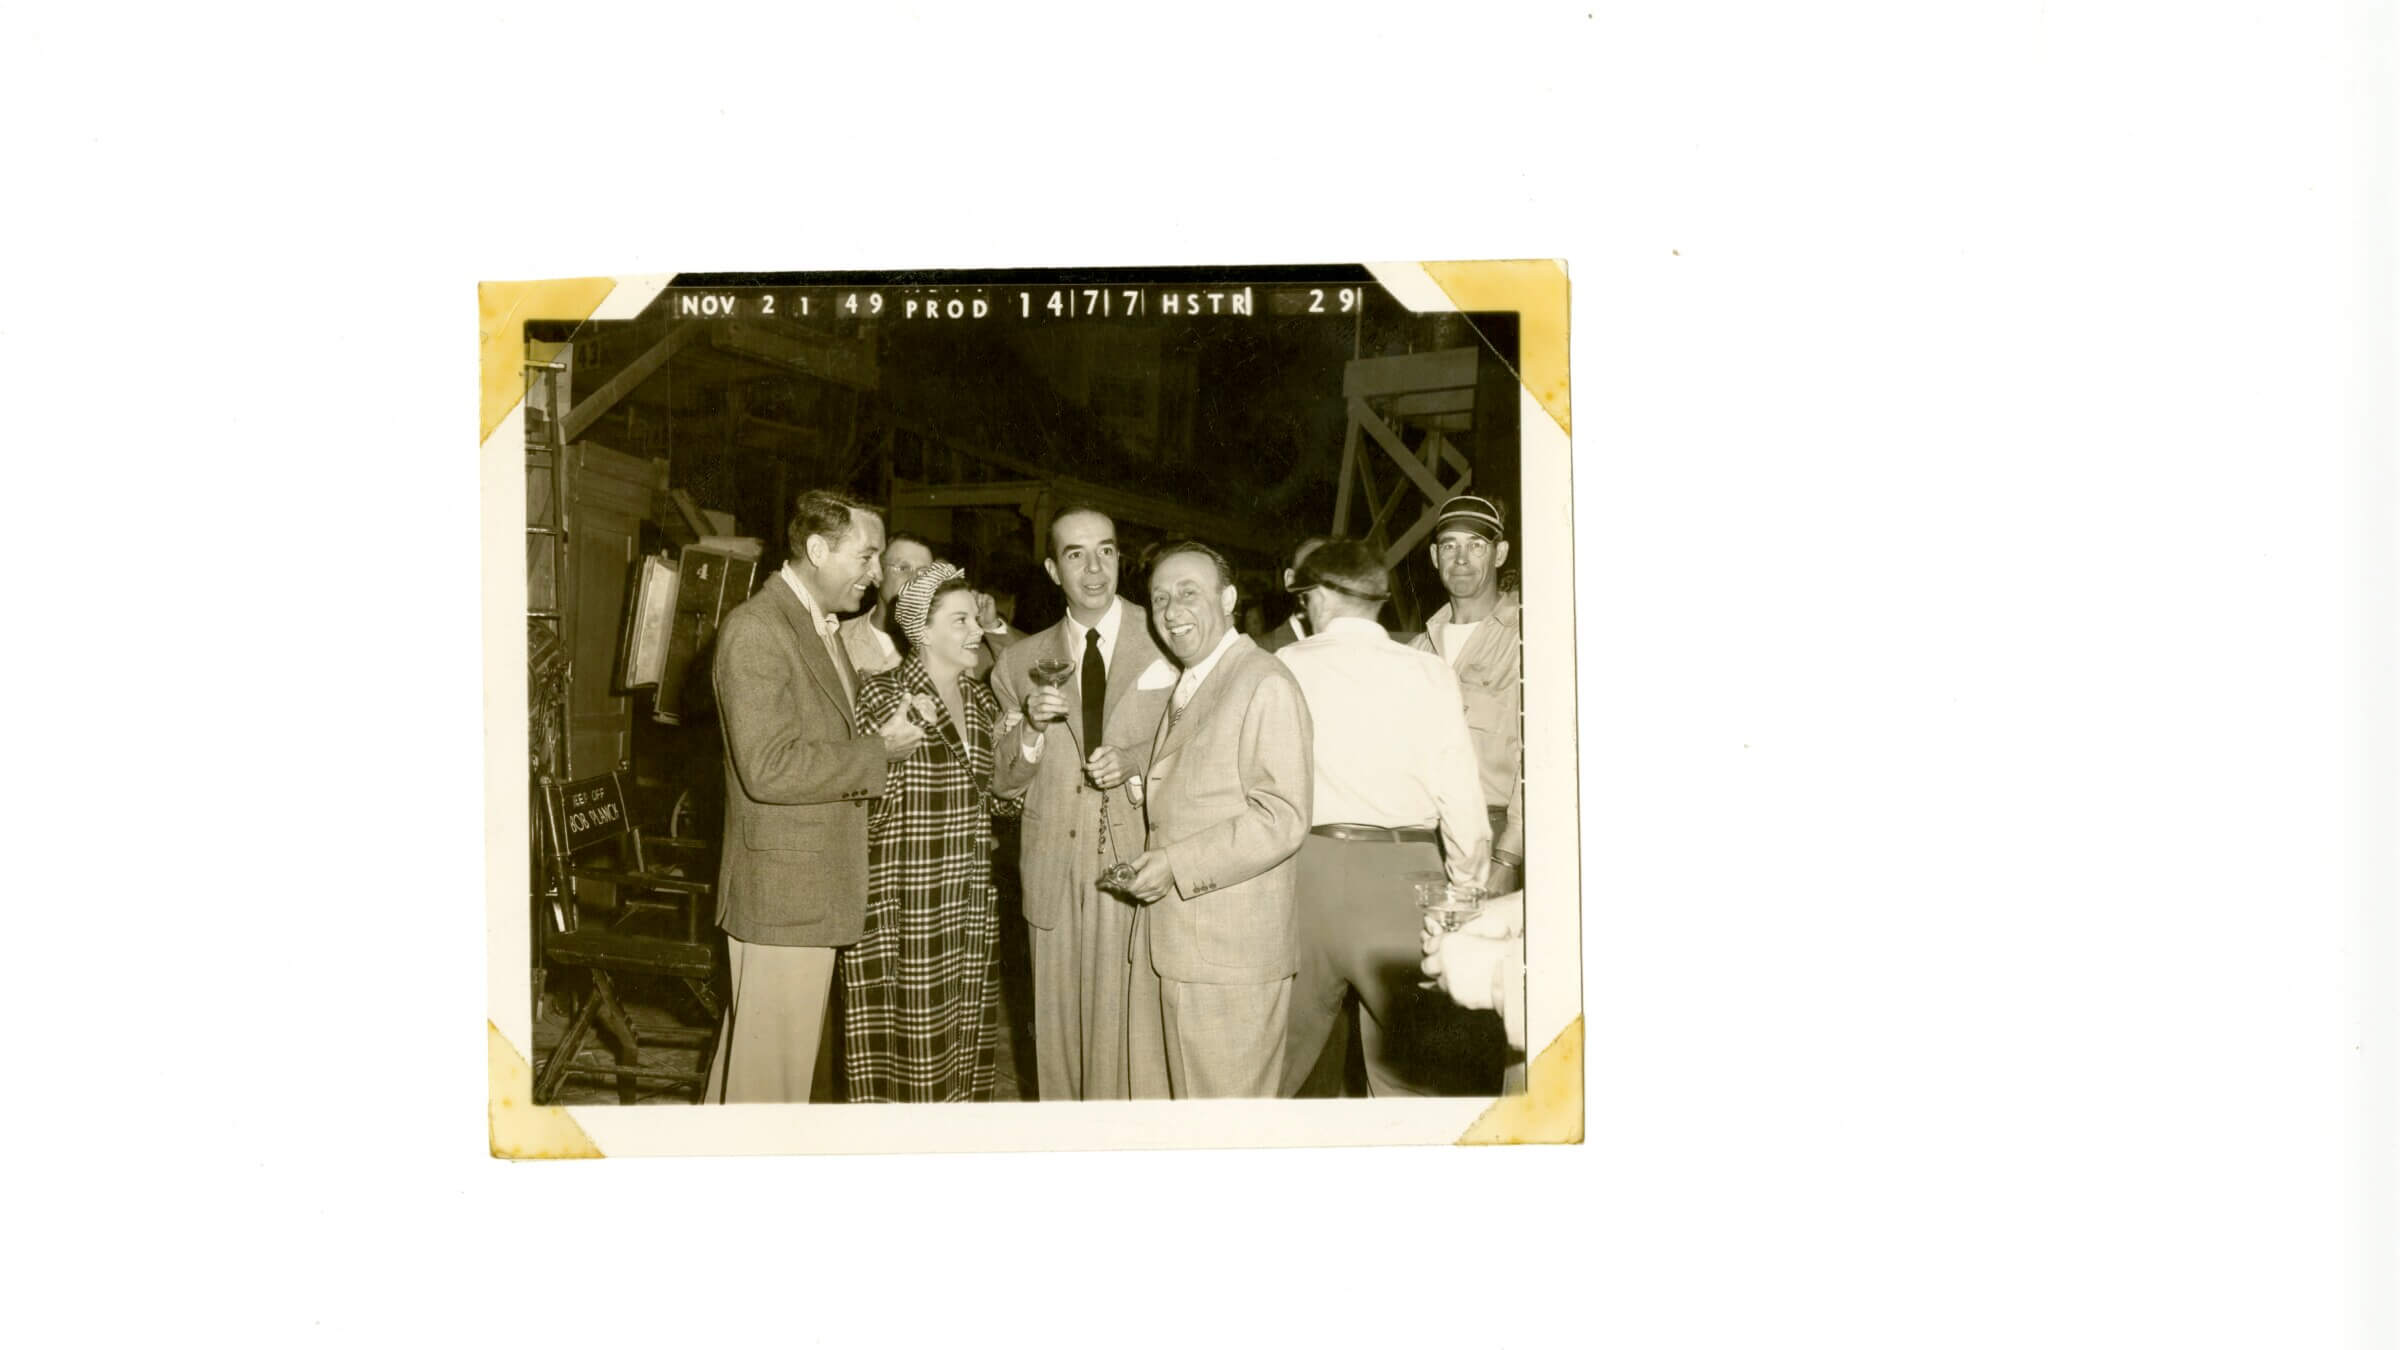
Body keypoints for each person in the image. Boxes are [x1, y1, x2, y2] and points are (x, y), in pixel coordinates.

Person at [705, 489, 923, 1104]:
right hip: (784, 898)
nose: (876, 574)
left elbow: (822, 733)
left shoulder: (813, 625)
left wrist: (876, 733)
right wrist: (880, 752)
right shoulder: (757, 630)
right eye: (867, 556)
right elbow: (768, 768)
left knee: (753, 1072)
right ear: (818, 549)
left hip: (805, 891)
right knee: (769, 1085)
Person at [1274, 540, 1494, 1097]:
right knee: (1410, 1080)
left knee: (1274, 1069)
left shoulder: (1283, 666)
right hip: (1406, 881)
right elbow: (1461, 803)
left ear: (1320, 597)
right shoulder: (1429, 672)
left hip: (1306, 878)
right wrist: (1465, 893)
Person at [989, 507, 1171, 1100]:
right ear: (1052, 568)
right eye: (1075, 554)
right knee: (1058, 1041)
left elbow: (1199, 741)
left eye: (1106, 551)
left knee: (1131, 1038)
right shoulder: (1018, 662)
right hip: (1053, 868)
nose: (1094, 569)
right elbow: (1003, 782)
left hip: (1137, 859)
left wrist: (1137, 759)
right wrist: (1033, 734)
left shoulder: (1168, 638)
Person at [1120, 540, 1313, 1098]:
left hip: (1228, 957)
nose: (1172, 612)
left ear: (1228, 598)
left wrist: (1176, 864)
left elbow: (1282, 815)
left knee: (1228, 1136)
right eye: (1159, 600)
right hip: (1181, 947)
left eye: (1188, 593)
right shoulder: (1200, 677)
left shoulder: (1263, 681)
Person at [842, 563, 1023, 1102]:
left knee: (965, 1047)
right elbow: (857, 804)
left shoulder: (983, 701)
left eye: (976, 618)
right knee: (904, 1057)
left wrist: (1021, 748)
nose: (978, 630)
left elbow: (999, 805)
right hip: (905, 903)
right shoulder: (880, 695)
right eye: (962, 619)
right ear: (922, 629)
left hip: (967, 901)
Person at [1412, 494, 1525, 895]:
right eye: (1449, 545)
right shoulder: (1417, 651)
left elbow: (1541, 760)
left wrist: (1509, 856)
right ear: (1433, 556)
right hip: (1423, 840)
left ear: (1500, 554)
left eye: (1476, 545)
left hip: (1496, 838)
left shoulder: (1525, 640)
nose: (1461, 558)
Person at [844, 531, 1018, 679]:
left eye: (924, 572)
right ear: (877, 575)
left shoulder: (953, 641)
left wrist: (992, 625)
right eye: (904, 568)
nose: (915, 579)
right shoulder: (839, 636)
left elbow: (1018, 671)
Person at [1258, 534, 1329, 653]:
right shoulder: (1260, 654)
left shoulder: (1353, 655)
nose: (1328, 587)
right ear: (1290, 580)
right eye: (1315, 573)